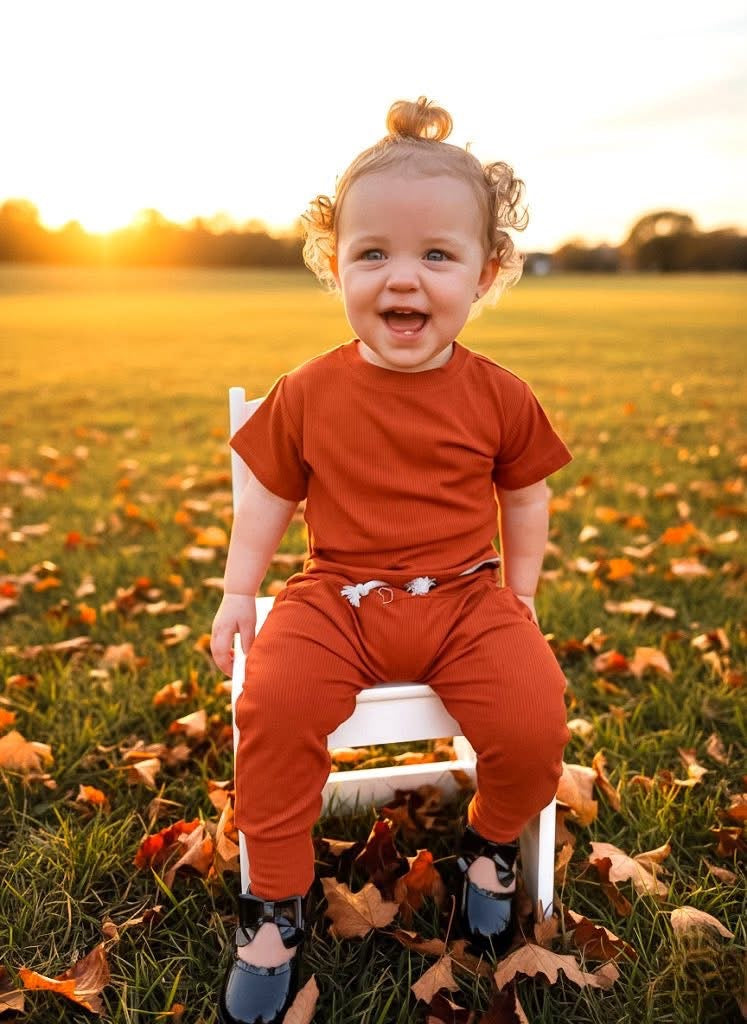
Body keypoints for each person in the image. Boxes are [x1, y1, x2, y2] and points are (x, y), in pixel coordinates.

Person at [211, 96, 571, 1024]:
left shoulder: (498, 395)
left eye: (435, 256)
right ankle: (275, 906)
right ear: (335, 264)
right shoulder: (309, 391)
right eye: (372, 253)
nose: (400, 278)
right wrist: (238, 591)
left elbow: (524, 495)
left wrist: (520, 595)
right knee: (276, 707)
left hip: (463, 595)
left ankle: (489, 849)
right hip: (337, 596)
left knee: (534, 717)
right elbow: (269, 499)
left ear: (485, 274)